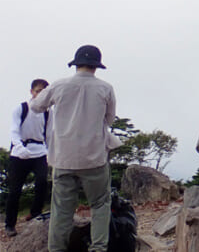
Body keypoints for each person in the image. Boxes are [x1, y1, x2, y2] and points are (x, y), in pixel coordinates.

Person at [30, 45, 117, 252]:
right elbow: (110, 119)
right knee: (100, 204)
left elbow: (35, 107)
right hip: (94, 158)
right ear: (97, 67)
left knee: (61, 210)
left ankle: (57, 249)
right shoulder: (105, 88)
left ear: (76, 64)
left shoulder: (59, 85)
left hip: (63, 157)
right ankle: (98, 248)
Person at [5, 78, 50, 237]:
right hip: (20, 153)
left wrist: (50, 152)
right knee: (15, 191)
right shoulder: (22, 108)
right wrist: (19, 147)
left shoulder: (47, 113)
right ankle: (10, 224)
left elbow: (49, 134)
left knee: (42, 181)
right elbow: (14, 130)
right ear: (32, 92)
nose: (40, 94)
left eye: (44, 92)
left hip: (39, 151)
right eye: (38, 91)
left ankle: (35, 213)